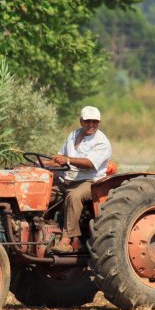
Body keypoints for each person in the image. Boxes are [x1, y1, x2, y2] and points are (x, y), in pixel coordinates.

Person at [49, 106, 112, 254]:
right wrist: (42, 164)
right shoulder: (73, 135)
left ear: (99, 122)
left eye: (94, 122)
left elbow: (90, 163)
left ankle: (67, 240)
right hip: (68, 180)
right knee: (45, 193)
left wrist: (67, 160)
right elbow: (60, 157)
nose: (91, 125)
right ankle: (41, 230)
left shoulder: (101, 142)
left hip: (91, 182)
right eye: (88, 121)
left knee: (74, 196)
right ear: (81, 121)